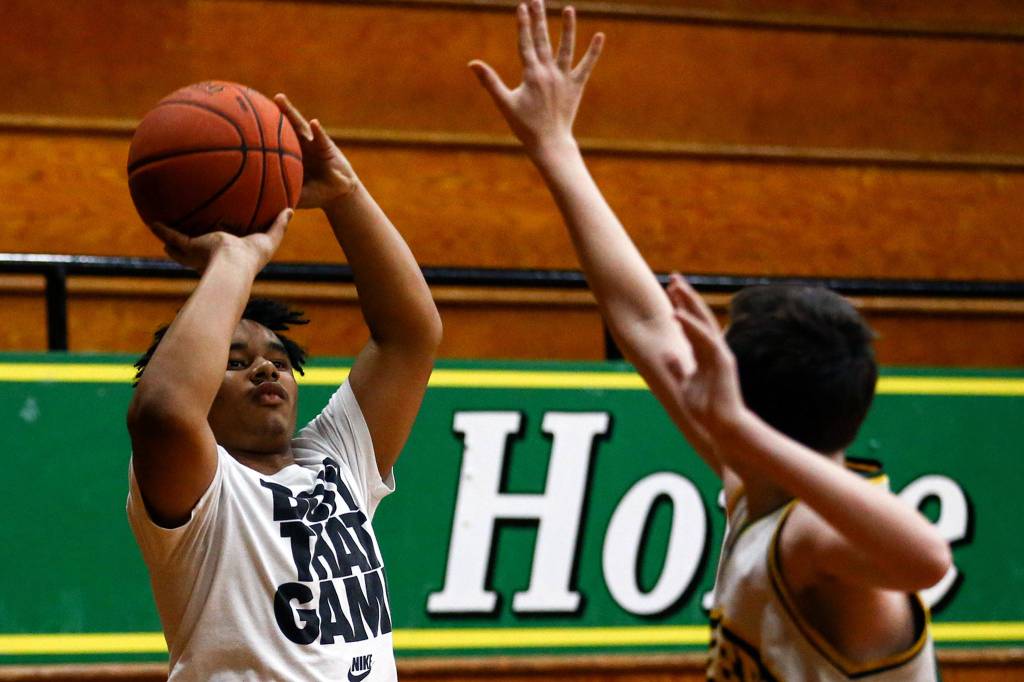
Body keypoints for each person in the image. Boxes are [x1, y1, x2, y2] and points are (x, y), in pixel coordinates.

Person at [469, 2, 951, 678]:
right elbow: (640, 318)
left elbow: (929, 558)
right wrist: (556, 148)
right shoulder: (760, 483)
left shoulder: (812, 535)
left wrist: (739, 430)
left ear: (741, 409)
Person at [126, 93, 441, 681]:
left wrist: (347, 194)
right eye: (235, 360)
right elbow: (166, 410)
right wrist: (236, 260)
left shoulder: (335, 460)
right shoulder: (206, 490)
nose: (266, 370)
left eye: (276, 359)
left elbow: (411, 336)